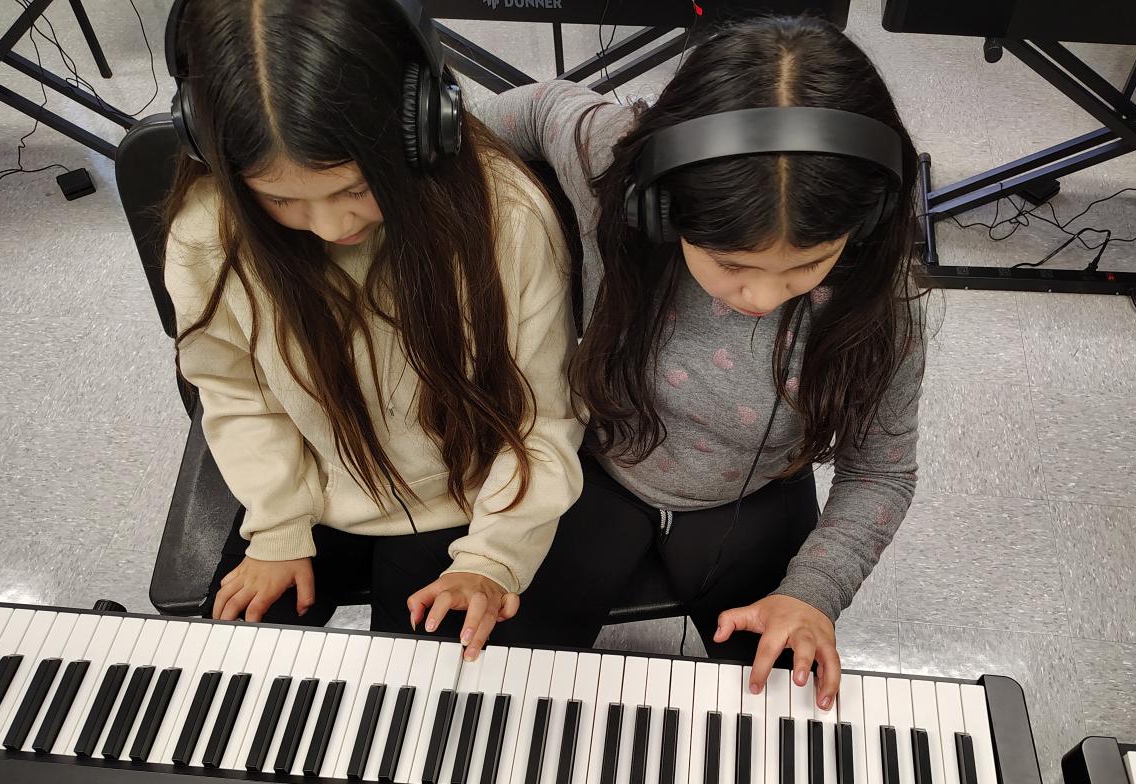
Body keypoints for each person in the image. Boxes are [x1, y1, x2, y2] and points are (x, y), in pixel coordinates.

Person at [480, 16, 926, 705]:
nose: (764, 297)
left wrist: (812, 593)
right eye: (731, 264)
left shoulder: (882, 302)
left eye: (807, 265)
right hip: (591, 468)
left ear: (864, 223)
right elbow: (539, 110)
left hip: (756, 493)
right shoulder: (611, 165)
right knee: (503, 678)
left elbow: (881, 471)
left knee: (781, 696)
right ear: (658, 207)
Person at [162, 0, 582, 660]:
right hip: (308, 487)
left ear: (422, 125)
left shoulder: (508, 218)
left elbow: (542, 418)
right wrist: (277, 526)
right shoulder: (208, 233)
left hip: (471, 499)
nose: (331, 227)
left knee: (434, 691)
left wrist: (491, 558)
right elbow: (238, 394)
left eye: (355, 188)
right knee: (233, 670)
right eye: (280, 198)